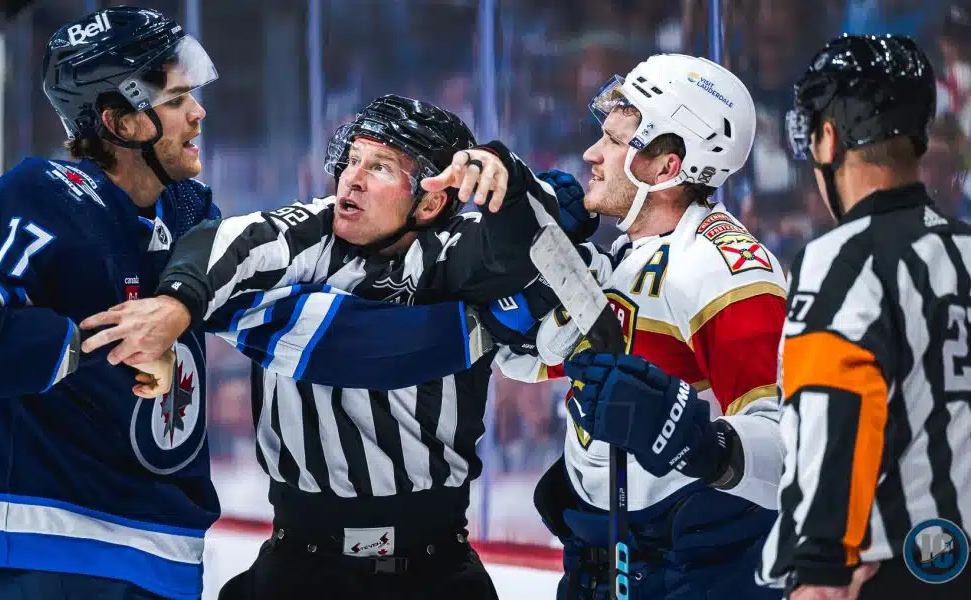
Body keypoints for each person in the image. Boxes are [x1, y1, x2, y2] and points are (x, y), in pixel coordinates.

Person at [0, 8, 499, 600]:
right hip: (58, 537)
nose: (198, 112)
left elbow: (308, 333)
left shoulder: (188, 212)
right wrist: (98, 345)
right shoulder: (44, 194)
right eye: (176, 100)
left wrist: (474, 329)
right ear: (121, 121)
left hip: (162, 546)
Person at [80, 94, 561, 599]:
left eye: (380, 167)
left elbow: (533, 243)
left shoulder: (455, 248)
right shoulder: (313, 230)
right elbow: (222, 244)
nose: (352, 179)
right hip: (300, 565)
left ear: (430, 201)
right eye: (352, 160)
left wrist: (507, 174)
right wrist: (177, 304)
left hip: (438, 567)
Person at [497, 53, 787, 599]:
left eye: (613, 140)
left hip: (693, 574)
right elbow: (527, 358)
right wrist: (520, 255)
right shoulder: (625, 257)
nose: (592, 153)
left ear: (666, 167)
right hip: (600, 564)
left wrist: (700, 443)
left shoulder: (725, 269)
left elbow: (790, 446)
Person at [756, 34, 971, 599]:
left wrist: (819, 569)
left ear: (828, 139)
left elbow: (835, 413)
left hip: (889, 574)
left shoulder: (844, 260)